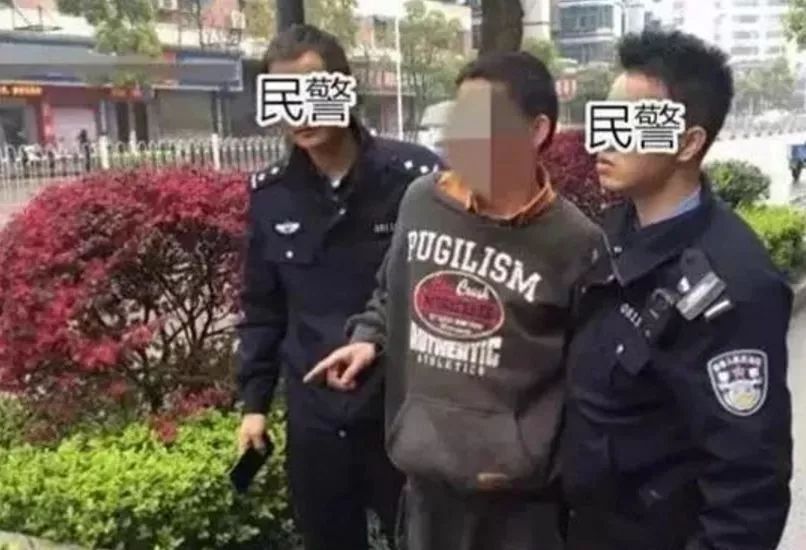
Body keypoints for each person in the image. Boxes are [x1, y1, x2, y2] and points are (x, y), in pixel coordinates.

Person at [305, 51, 602, 550]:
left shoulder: (575, 243)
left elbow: (589, 381)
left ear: (536, 131)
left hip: (520, 508)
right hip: (425, 488)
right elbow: (391, 291)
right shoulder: (423, 201)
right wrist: (369, 338)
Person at [561, 30, 793, 550]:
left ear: (688, 143)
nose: (604, 141)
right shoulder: (616, 231)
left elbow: (748, 487)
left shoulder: (734, 284)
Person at [235, 24, 443, 550]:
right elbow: (262, 308)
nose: (300, 112)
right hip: (316, 418)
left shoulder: (415, 181)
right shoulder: (271, 195)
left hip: (402, 411)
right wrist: (254, 405)